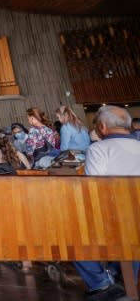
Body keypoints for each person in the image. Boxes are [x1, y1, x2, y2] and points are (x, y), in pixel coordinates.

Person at [73, 105, 139, 301]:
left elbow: (94, 191)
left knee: (70, 237)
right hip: (135, 220)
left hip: (116, 219)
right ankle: (124, 278)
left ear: (102, 126)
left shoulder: (98, 149)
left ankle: (101, 283)